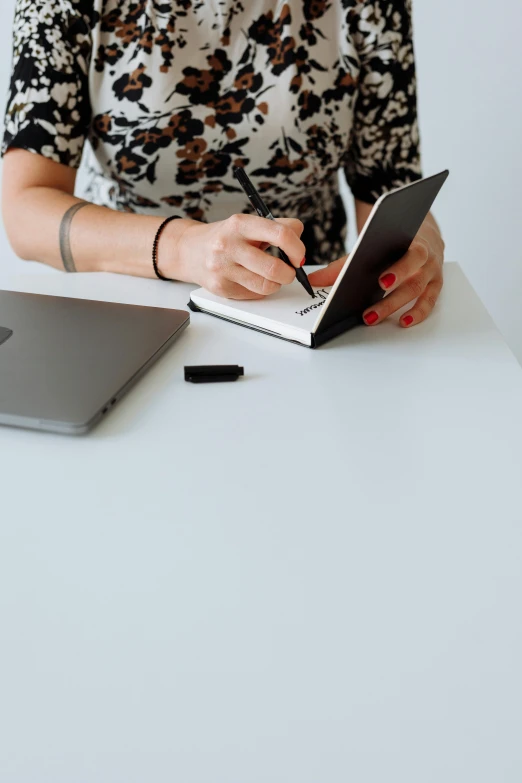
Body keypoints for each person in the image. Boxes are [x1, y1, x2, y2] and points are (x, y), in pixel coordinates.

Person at [1, 0, 445, 328]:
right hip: (128, 301)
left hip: (302, 308)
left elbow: (390, 190)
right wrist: (184, 248)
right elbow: (24, 210)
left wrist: (417, 243)